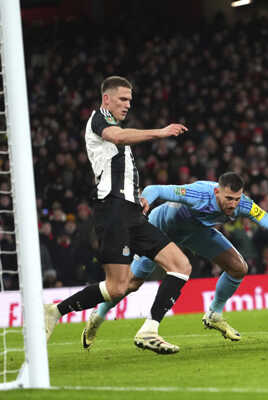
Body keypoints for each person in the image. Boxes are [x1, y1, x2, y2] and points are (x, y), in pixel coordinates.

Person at [81, 172, 268, 348]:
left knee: (238, 268)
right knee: (131, 283)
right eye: (228, 199)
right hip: (161, 226)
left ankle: (214, 314)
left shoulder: (243, 204)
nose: (233, 205)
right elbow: (159, 189)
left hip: (195, 232)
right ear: (217, 191)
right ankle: (98, 316)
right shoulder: (199, 192)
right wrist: (144, 200)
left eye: (236, 199)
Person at [44, 76, 192, 354]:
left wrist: (138, 198)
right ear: (106, 99)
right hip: (112, 209)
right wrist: (160, 132)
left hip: (131, 211)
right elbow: (118, 136)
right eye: (123, 99)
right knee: (117, 287)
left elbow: (120, 161)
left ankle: (150, 330)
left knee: (180, 265)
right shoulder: (99, 120)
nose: (127, 105)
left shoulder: (115, 126)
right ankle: (55, 310)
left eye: (130, 101)